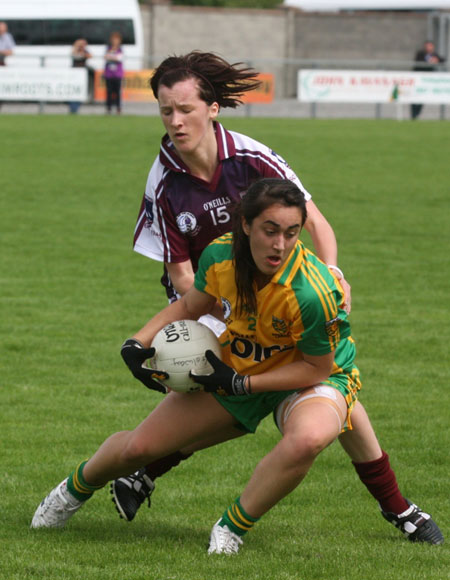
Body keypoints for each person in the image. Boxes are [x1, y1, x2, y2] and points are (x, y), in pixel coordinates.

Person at [108, 51, 443, 546]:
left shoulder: (252, 158)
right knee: (281, 395)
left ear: (213, 107)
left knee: (324, 385)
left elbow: (316, 223)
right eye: (165, 111)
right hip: (215, 310)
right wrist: (228, 313)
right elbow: (180, 276)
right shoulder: (163, 180)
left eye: (185, 109)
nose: (176, 121)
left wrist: (332, 275)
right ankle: (400, 509)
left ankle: (399, 509)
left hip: (281, 296)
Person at [30, 180, 443, 553]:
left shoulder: (314, 292)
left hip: (307, 376)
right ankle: (71, 491)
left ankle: (230, 528)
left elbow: (317, 369)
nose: (280, 244)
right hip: (236, 366)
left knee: (308, 439)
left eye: (291, 233)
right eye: (269, 230)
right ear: (245, 225)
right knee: (139, 447)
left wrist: (243, 383)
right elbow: (192, 305)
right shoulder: (219, 255)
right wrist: (138, 342)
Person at [411, 40, 445, 120]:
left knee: (422, 98)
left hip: (427, 81)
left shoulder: (434, 54)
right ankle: (413, 115)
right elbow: (418, 62)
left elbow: (443, 60)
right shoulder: (421, 53)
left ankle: (416, 114)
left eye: (430, 46)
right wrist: (429, 61)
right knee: (414, 98)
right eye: (427, 46)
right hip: (418, 79)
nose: (429, 47)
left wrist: (436, 60)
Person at [68, 38, 92, 114]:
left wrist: (83, 51)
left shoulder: (85, 51)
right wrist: (76, 46)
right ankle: (73, 108)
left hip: (82, 75)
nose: (81, 46)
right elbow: (73, 54)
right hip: (74, 74)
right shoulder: (75, 51)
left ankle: (76, 107)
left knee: (80, 91)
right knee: (73, 91)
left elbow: (90, 56)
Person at [104, 31, 124, 114]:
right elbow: (106, 57)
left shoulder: (120, 50)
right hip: (109, 74)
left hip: (117, 74)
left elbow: (119, 58)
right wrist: (113, 56)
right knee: (109, 92)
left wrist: (111, 57)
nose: (115, 42)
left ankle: (118, 108)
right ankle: (108, 108)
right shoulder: (108, 48)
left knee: (117, 92)